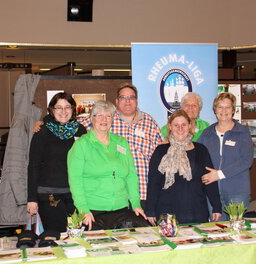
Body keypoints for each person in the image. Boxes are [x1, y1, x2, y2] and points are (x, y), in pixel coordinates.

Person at [34, 83, 163, 205]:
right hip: (108, 196)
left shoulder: (149, 122)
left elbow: (161, 154)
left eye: (131, 97)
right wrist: (45, 122)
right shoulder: (104, 117)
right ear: (117, 101)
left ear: (137, 101)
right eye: (123, 97)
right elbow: (66, 119)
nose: (127, 101)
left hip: (144, 192)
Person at [67, 100, 149, 230]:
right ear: (91, 119)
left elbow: (131, 176)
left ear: (113, 119)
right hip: (93, 213)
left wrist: (136, 204)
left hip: (121, 210)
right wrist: (83, 210)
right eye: (99, 115)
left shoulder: (121, 143)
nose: (104, 119)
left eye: (108, 116)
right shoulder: (81, 145)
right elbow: (75, 180)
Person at [146, 110, 222, 225]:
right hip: (167, 213)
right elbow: (153, 183)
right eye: (176, 125)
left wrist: (216, 206)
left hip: (197, 212)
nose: (180, 128)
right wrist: (150, 210)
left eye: (184, 124)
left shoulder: (201, 150)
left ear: (189, 125)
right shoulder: (160, 151)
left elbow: (209, 180)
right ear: (170, 127)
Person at [26, 92, 87, 233]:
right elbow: (33, 165)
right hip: (49, 195)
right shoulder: (43, 131)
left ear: (73, 109)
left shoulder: (80, 131)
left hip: (75, 195)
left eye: (67, 107)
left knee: (76, 236)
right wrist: (31, 198)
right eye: (58, 107)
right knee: (56, 235)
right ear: (52, 110)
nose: (64, 111)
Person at [198, 92, 253, 221]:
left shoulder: (242, 132)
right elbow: (197, 157)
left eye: (227, 107)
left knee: (236, 230)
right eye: (220, 107)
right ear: (214, 110)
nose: (224, 111)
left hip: (237, 192)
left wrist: (220, 174)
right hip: (213, 193)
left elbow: (246, 161)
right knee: (218, 231)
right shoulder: (206, 134)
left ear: (233, 110)